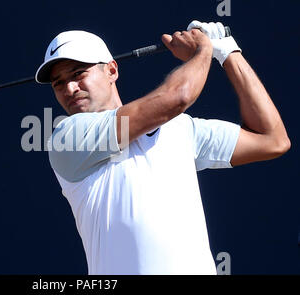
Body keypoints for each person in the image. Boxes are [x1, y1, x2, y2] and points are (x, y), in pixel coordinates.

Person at [34, 21, 290, 274]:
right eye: (58, 83)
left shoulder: (180, 128)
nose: (69, 88)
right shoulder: (67, 138)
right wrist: (203, 50)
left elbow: (273, 140)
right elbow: (178, 96)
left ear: (111, 71)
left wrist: (227, 53)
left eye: (78, 73)